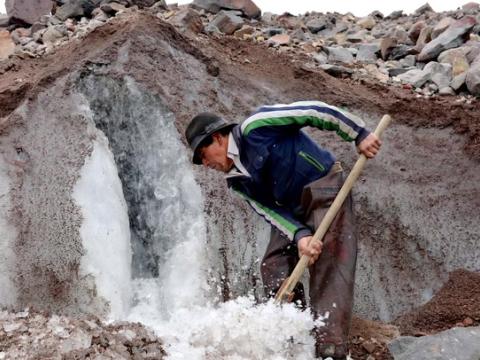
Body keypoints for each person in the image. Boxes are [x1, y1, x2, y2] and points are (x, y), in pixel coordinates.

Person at [185, 101, 381, 359]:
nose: (205, 163)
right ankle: (294, 337)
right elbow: (269, 211)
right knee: (273, 264)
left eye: (203, 153)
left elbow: (314, 111)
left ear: (217, 138)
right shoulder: (236, 182)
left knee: (329, 264)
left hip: (325, 187)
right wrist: (300, 236)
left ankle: (330, 349)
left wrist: (358, 133)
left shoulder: (256, 127)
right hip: (291, 211)